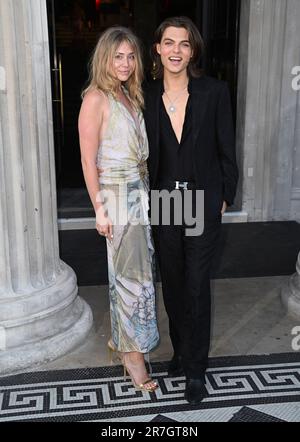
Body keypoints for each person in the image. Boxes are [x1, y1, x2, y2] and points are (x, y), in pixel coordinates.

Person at [144, 17, 239, 404]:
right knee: (175, 285)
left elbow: (226, 149)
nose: (176, 51)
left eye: (184, 44)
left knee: (198, 286)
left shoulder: (214, 92)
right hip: (165, 201)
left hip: (201, 200)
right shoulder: (144, 95)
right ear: (158, 50)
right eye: (169, 43)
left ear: (193, 50)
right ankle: (181, 350)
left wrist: (225, 196)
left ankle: (196, 371)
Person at [78, 27, 159, 392]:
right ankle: (132, 356)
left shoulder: (129, 94)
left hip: (138, 194)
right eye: (118, 56)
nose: (125, 63)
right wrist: (99, 209)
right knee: (129, 280)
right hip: (116, 196)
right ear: (104, 59)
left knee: (139, 276)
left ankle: (125, 343)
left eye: (130, 56)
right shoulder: (95, 98)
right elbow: (87, 158)